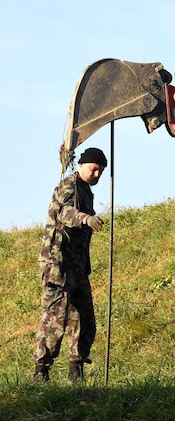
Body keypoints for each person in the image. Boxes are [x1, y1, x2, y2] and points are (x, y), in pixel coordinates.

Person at [34, 147, 107, 383]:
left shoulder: (86, 191)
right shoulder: (68, 186)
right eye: (94, 169)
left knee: (85, 320)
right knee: (55, 318)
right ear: (82, 165)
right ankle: (41, 372)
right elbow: (65, 213)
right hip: (58, 264)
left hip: (77, 266)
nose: (97, 174)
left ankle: (76, 371)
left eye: (101, 171)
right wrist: (85, 218)